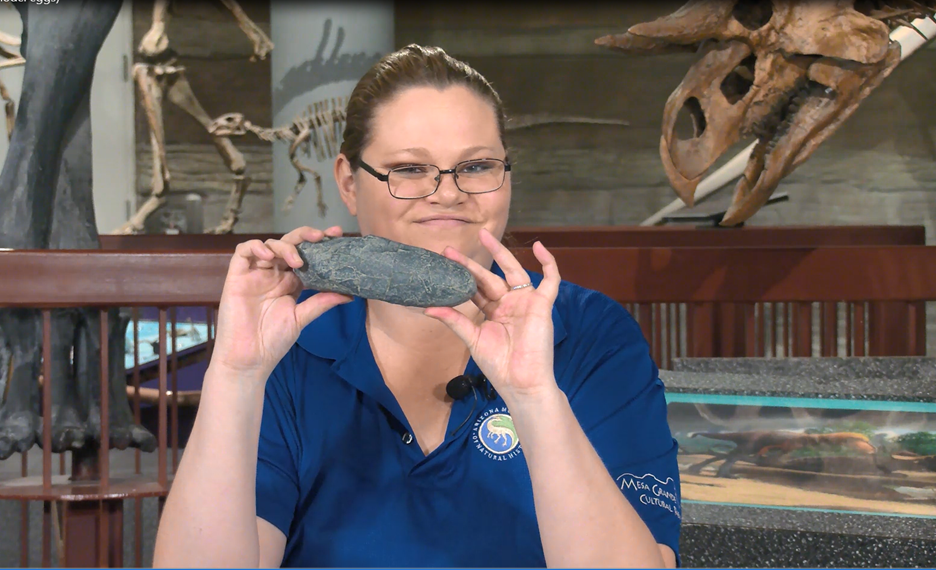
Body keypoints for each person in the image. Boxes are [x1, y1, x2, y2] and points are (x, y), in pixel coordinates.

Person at [153, 44, 681, 568]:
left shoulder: (591, 335)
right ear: (347, 182)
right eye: (409, 169)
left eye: (476, 165)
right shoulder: (289, 348)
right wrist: (236, 373)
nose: (447, 194)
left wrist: (535, 397)